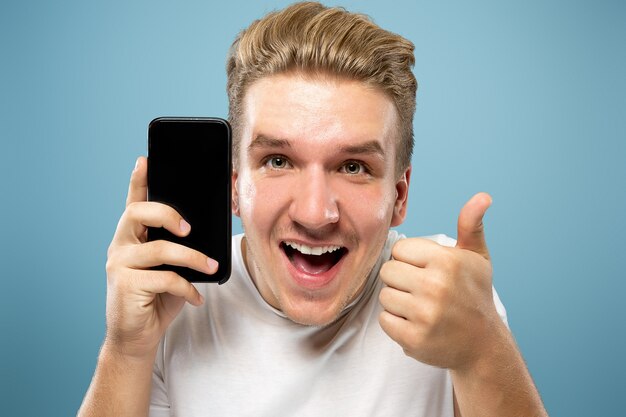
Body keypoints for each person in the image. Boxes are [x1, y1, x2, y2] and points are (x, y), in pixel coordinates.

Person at [78, 2, 548, 416]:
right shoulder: (177, 303)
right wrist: (126, 352)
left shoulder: (449, 295)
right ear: (235, 188)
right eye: (278, 161)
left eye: (353, 167)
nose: (315, 213)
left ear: (399, 196)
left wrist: (483, 348)